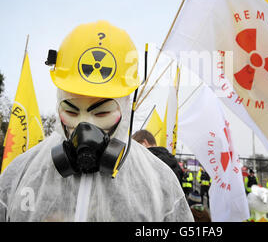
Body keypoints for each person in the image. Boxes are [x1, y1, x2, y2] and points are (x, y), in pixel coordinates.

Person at [0, 21, 194, 222]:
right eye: (71, 112)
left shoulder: (160, 183)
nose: (85, 127)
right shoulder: (20, 173)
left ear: (128, 105)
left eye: (101, 113)